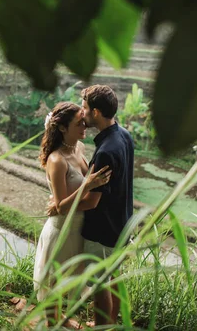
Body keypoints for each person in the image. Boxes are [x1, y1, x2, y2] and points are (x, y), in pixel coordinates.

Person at [48, 85, 134, 327]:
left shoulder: (105, 151)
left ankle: (101, 326)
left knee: (100, 286)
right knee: (113, 277)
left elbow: (93, 200)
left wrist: (59, 206)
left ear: (96, 112)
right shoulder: (123, 135)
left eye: (84, 108)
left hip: (103, 229)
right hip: (122, 222)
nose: (82, 114)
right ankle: (112, 324)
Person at [33, 101, 111, 328]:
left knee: (70, 280)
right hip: (61, 230)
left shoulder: (80, 149)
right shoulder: (57, 160)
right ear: (63, 128)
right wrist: (87, 185)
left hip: (79, 228)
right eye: (79, 123)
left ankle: (62, 321)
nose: (85, 125)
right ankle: (52, 324)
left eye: (84, 121)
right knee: (54, 282)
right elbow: (61, 206)